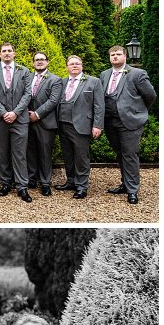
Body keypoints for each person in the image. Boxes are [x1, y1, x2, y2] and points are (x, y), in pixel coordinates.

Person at [100, 43, 157, 204]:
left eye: (118, 54)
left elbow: (150, 95)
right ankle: (125, 184)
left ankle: (132, 190)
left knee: (130, 155)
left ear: (125, 56)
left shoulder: (137, 73)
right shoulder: (104, 74)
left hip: (130, 121)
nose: (115, 57)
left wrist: (139, 111)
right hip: (110, 121)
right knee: (120, 153)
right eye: (112, 55)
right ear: (109, 58)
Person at [0, 42, 34, 202]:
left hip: (19, 119)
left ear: (14, 53)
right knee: (2, 152)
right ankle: (5, 183)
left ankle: (22, 187)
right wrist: (3, 113)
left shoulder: (25, 71)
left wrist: (15, 113)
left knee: (20, 154)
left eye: (10, 51)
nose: (7, 53)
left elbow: (28, 94)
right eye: (4, 51)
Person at [54, 54, 105, 200]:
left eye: (78, 63)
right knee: (68, 156)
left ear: (82, 66)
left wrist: (97, 125)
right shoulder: (62, 82)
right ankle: (71, 181)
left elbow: (99, 105)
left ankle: (82, 186)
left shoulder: (93, 82)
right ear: (67, 67)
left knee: (82, 157)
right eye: (72, 64)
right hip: (63, 125)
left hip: (81, 125)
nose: (75, 66)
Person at [27, 50, 63, 196]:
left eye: (42, 59)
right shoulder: (27, 77)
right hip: (27, 121)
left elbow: (53, 101)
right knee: (30, 152)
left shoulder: (55, 80)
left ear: (47, 62)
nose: (39, 61)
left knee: (45, 153)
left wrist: (37, 114)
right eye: (37, 59)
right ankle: (31, 179)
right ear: (33, 63)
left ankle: (46, 183)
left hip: (46, 122)